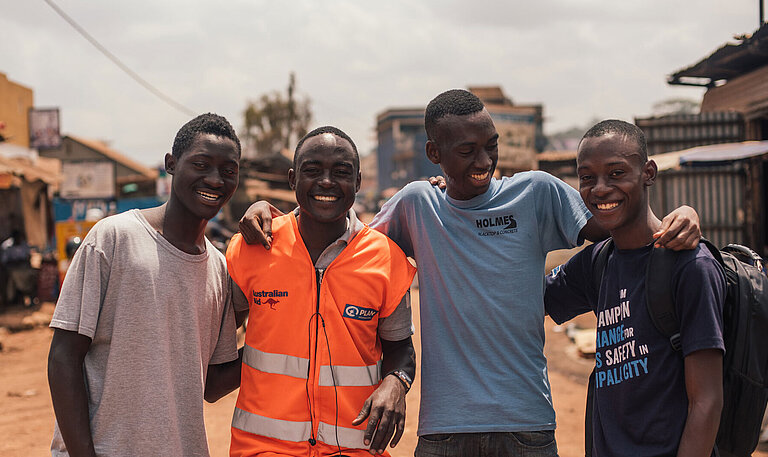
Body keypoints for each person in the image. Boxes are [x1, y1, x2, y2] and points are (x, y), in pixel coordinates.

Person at [239, 90, 701, 456]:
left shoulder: (537, 193)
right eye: (467, 151)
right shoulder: (417, 204)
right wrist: (271, 215)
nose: (484, 162)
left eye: (490, 146)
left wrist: (677, 218)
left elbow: (616, 220)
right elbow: (342, 239)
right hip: (443, 430)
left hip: (527, 425)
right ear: (434, 152)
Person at [47, 113, 245, 457]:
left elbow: (211, 385)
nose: (215, 180)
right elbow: (63, 357)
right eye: (201, 164)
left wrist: (277, 338)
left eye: (228, 171)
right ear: (171, 164)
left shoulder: (218, 269)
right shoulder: (114, 238)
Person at [226, 126, 417, 457]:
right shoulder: (252, 249)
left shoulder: (387, 259)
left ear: (358, 182)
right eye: (312, 171)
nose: (326, 182)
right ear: (292, 179)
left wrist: (395, 382)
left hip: (355, 450)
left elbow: (401, 349)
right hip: (263, 450)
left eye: (341, 172)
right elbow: (216, 345)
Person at [545, 120, 724, 456]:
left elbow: (707, 401)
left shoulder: (690, 265)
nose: (599, 188)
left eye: (616, 173)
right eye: (587, 177)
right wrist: (454, 195)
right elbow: (519, 298)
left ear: (649, 173)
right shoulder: (596, 263)